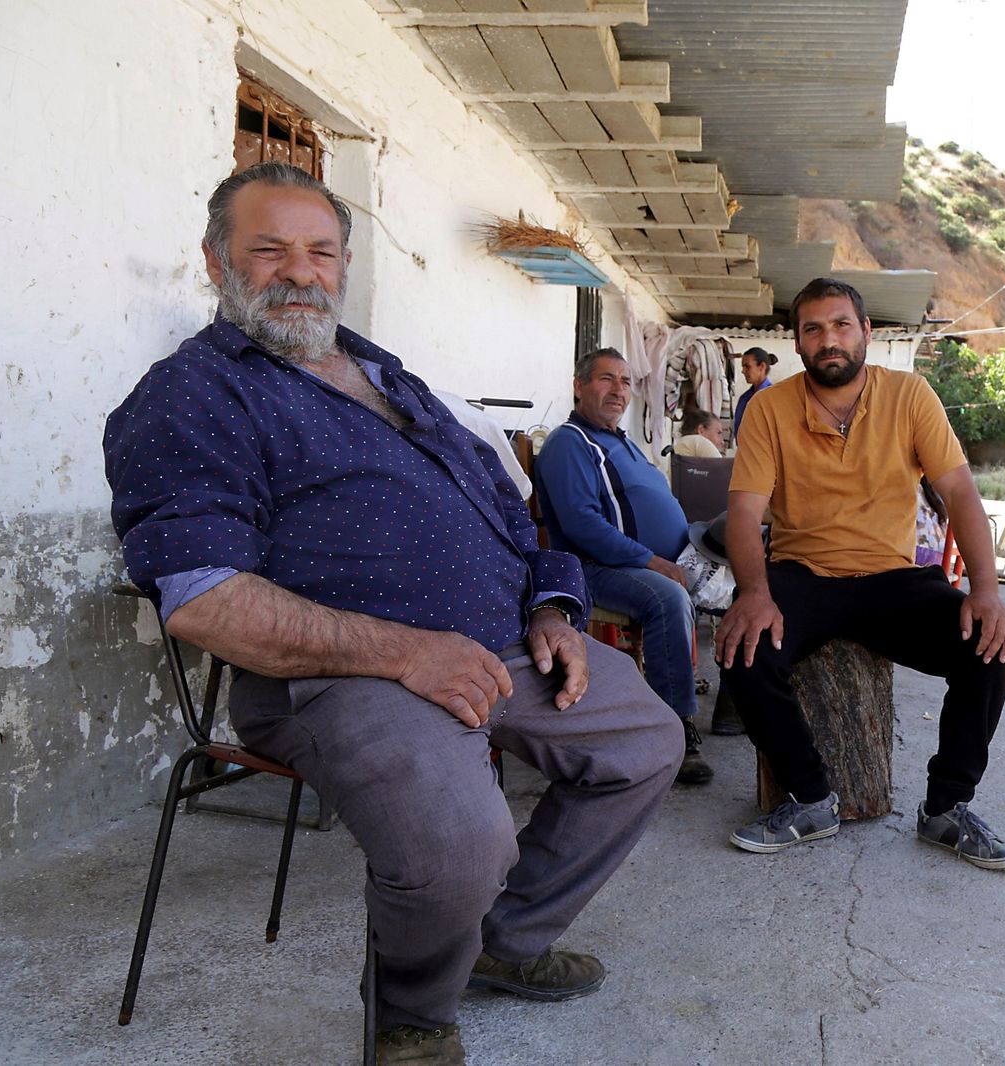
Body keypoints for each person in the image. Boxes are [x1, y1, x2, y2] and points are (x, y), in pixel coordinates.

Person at [103, 163, 682, 1065]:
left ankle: (504, 942)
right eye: (269, 249)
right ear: (216, 264)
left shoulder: (387, 374)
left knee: (647, 739)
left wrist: (557, 608)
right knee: (463, 837)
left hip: (505, 644)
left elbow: (510, 513)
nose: (300, 272)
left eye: (321, 251)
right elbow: (205, 599)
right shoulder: (193, 394)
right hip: (339, 674)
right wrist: (408, 653)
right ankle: (412, 1014)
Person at [717, 277, 1005, 870]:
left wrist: (984, 590)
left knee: (988, 645)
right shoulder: (770, 409)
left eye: (840, 325)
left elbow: (958, 489)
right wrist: (753, 592)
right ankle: (810, 799)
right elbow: (745, 511)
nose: (828, 339)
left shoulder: (910, 395)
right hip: (801, 573)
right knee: (742, 649)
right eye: (813, 329)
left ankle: (946, 809)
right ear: (798, 344)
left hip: (892, 578)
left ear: (866, 334)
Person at [534, 348, 714, 785]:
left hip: (658, 559)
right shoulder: (569, 443)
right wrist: (651, 560)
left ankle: (738, 703)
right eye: (606, 379)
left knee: (744, 566)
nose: (619, 390)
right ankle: (674, 730)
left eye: (626, 381)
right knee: (666, 597)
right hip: (596, 568)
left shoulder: (623, 441)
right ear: (579, 386)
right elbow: (581, 524)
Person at [731, 346, 776, 443]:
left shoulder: (773, 398)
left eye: (747, 366)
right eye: (743, 367)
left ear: (762, 367)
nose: (743, 371)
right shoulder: (745, 398)